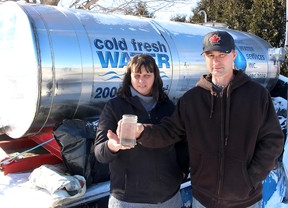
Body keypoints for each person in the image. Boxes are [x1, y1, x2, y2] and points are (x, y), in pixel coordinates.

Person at [115, 31, 285, 207]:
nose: (216, 61)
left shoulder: (256, 95)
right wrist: (142, 131)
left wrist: (250, 179)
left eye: (222, 55)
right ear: (204, 57)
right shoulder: (192, 99)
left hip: (245, 200)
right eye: (210, 55)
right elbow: (169, 132)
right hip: (203, 199)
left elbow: (273, 140)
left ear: (233, 55)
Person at [94, 54, 189, 208]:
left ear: (155, 77)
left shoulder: (168, 107)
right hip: (128, 200)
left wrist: (181, 173)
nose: (141, 80)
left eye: (147, 75)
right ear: (129, 77)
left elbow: (182, 144)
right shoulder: (114, 107)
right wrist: (112, 146)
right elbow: (99, 153)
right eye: (136, 75)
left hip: (168, 198)